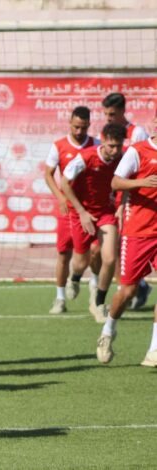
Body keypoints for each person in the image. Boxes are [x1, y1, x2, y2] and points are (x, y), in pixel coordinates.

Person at [96, 117, 157, 367]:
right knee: (128, 291)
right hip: (137, 232)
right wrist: (141, 182)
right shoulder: (138, 151)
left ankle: (154, 349)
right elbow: (115, 182)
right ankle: (108, 330)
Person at [61, 123, 127, 323]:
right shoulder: (85, 157)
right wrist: (81, 212)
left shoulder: (123, 158)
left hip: (105, 212)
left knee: (110, 258)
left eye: (118, 146)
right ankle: (75, 277)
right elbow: (64, 183)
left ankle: (98, 303)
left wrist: (121, 205)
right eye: (111, 146)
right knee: (81, 262)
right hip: (81, 213)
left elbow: (126, 183)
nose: (115, 150)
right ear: (103, 141)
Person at [43, 106, 97, 314]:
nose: (79, 131)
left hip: (91, 209)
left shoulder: (96, 145)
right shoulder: (59, 146)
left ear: (89, 125)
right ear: (70, 123)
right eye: (76, 127)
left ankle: (95, 289)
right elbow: (48, 174)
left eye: (83, 127)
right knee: (63, 253)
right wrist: (60, 197)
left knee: (96, 250)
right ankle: (59, 298)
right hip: (68, 209)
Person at [102, 92, 152, 309]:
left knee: (122, 246)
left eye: (112, 114)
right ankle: (132, 287)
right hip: (115, 193)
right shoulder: (107, 132)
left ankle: (133, 287)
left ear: (123, 111)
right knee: (113, 249)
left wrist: (123, 205)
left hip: (131, 200)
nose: (108, 118)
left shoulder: (137, 133)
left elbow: (139, 172)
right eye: (106, 114)